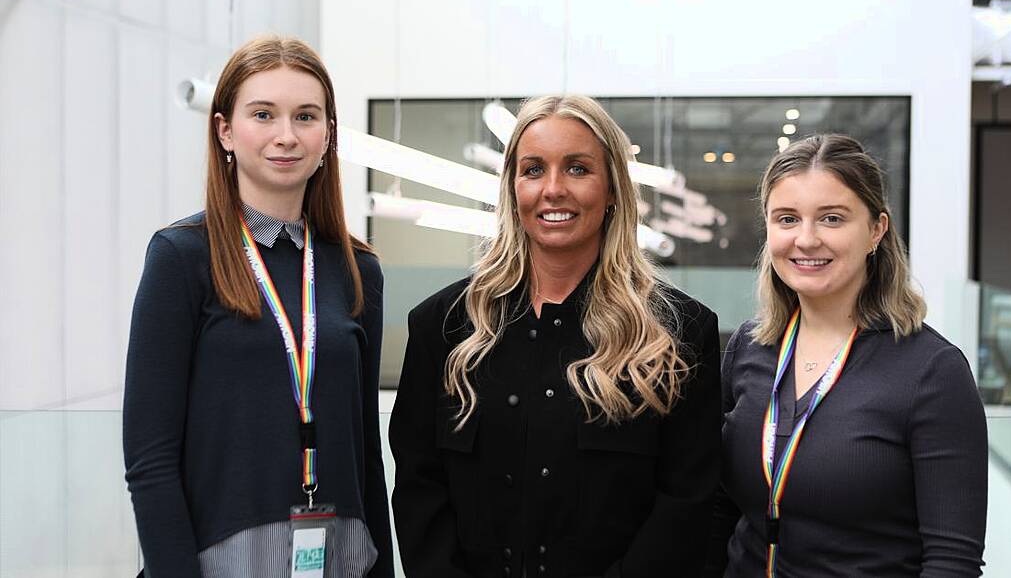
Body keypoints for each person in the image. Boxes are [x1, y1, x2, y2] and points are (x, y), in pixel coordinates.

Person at [389, 95, 721, 577]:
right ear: (512, 188)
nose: (553, 189)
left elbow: (686, 505)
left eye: (578, 169)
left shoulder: (679, 333)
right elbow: (420, 491)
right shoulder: (442, 327)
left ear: (612, 190)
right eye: (533, 170)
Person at [123, 36, 393, 578]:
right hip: (216, 562)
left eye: (306, 116)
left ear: (328, 134)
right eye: (263, 114)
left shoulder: (357, 271)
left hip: (338, 558)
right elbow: (149, 460)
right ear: (225, 130)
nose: (286, 136)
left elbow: (365, 458)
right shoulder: (182, 258)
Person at [707, 134, 988, 577]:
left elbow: (952, 562)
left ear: (876, 230)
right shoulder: (748, 347)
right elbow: (720, 509)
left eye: (832, 218)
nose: (806, 239)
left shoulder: (932, 372)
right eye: (786, 219)